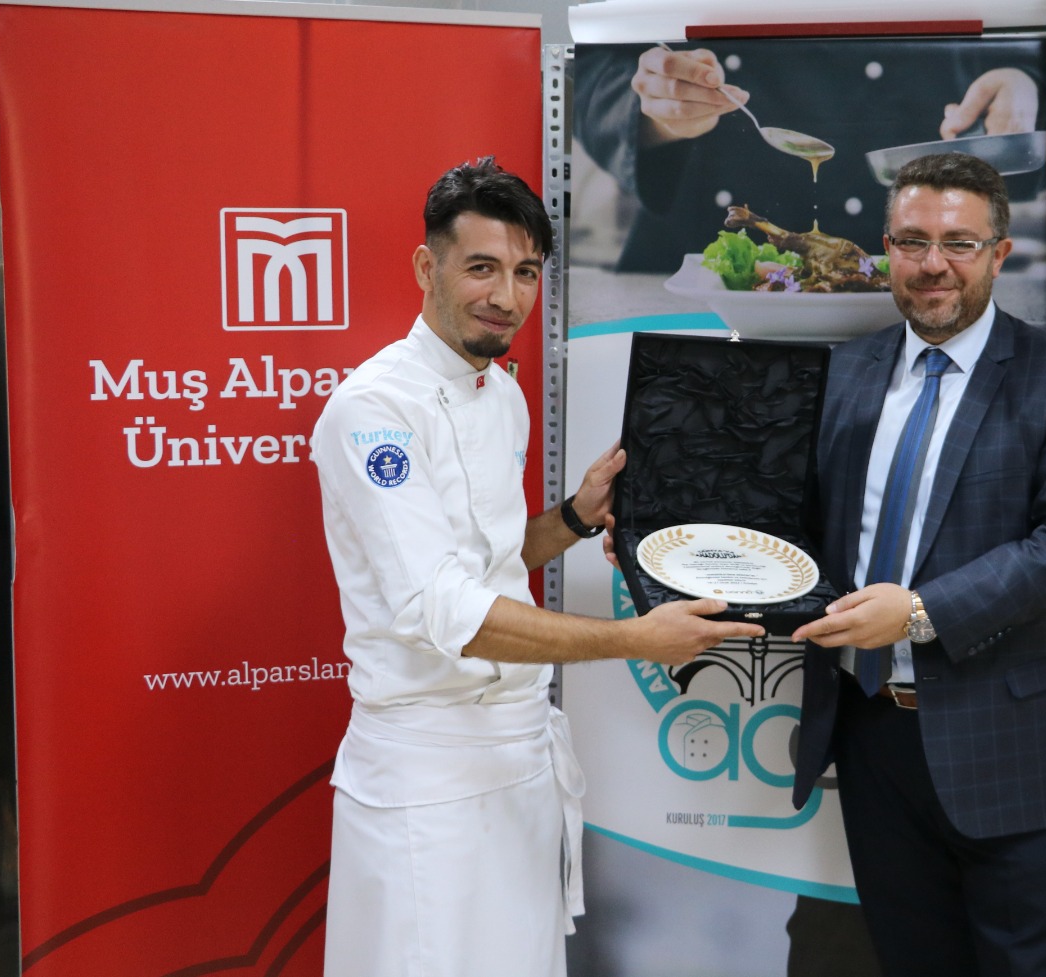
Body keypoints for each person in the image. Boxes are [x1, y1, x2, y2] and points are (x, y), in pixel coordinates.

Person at [310, 157, 764, 977]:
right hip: (427, 778)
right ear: (427, 267)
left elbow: (489, 563)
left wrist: (575, 517)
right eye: (481, 267)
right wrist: (635, 638)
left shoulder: (503, 394)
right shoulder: (374, 410)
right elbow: (448, 611)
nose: (506, 295)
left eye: (525, 272)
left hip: (522, 763)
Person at [789, 152, 1046, 976]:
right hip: (873, 737)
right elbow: (794, 524)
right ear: (887, 250)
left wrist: (916, 613)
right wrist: (678, 547)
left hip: (1014, 745)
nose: (933, 263)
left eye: (959, 243)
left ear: (999, 253)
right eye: (912, 241)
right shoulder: (842, 372)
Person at [573, 38, 1046, 272]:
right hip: (700, 279)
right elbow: (593, 65)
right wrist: (658, 109)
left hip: (928, 271)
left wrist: (1026, 87)